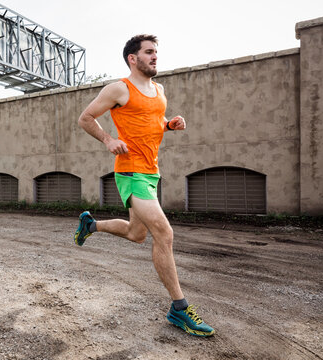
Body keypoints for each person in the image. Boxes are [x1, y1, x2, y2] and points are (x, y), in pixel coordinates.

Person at [74, 34, 214, 337]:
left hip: (151, 172)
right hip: (130, 172)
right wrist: (109, 140)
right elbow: (85, 118)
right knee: (163, 233)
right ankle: (179, 309)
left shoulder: (159, 90)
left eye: (156, 53)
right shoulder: (118, 89)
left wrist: (168, 125)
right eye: (149, 52)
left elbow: (151, 120)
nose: (155, 57)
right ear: (132, 59)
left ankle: (90, 225)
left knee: (136, 233)